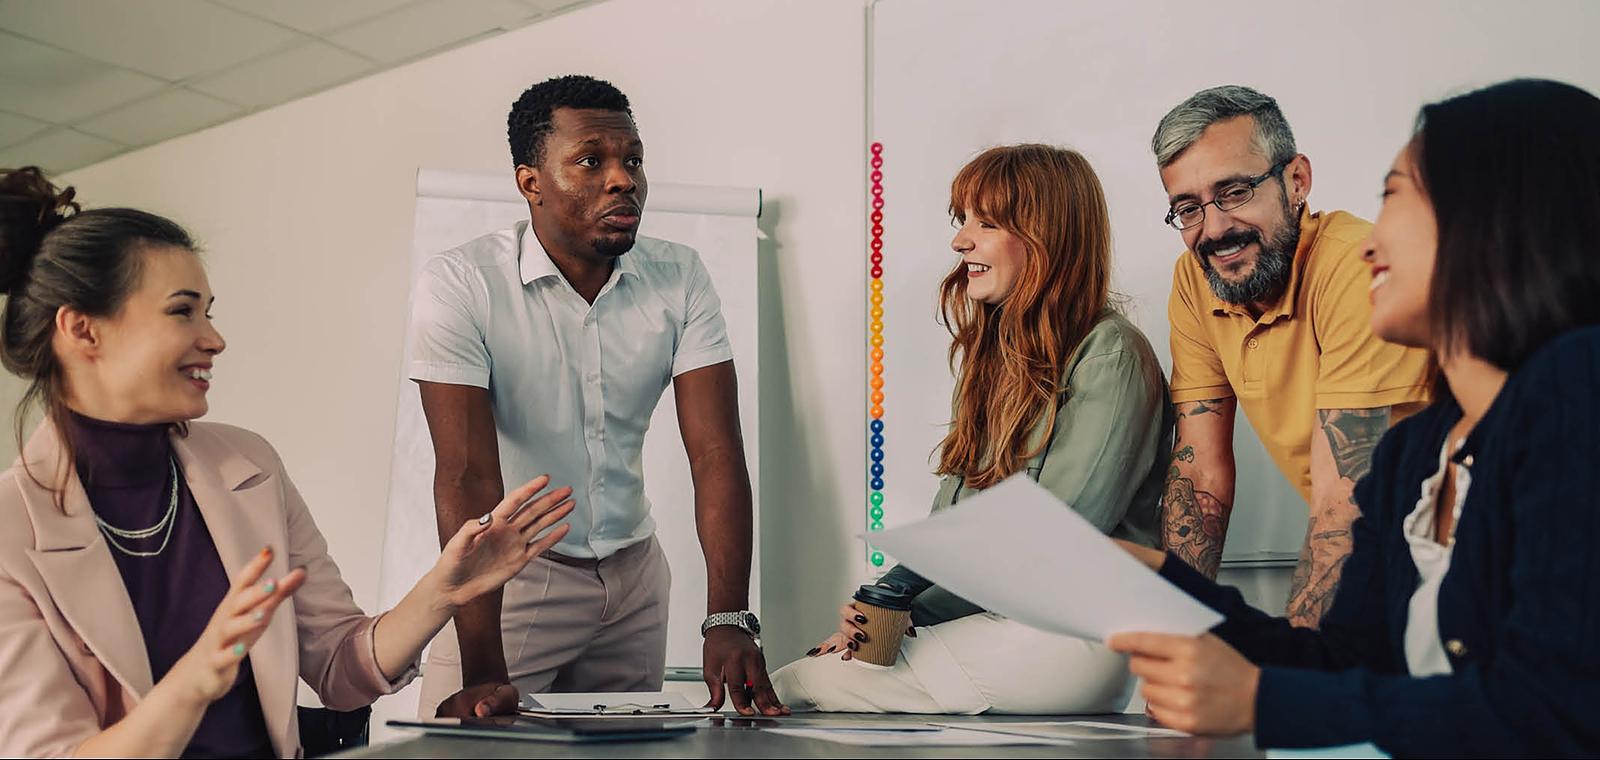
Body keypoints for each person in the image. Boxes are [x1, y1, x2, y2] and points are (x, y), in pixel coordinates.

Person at [0, 167, 575, 757]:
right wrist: (193, 682)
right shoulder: (10, 530)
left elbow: (339, 667)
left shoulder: (247, 463)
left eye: (209, 312)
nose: (214, 339)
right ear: (82, 330)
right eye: (182, 312)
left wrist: (444, 591)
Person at [1109, 78, 1600, 757]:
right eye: (1189, 207)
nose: (1371, 245)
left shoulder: (1580, 383)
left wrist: (1262, 703)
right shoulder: (1414, 454)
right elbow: (1346, 663)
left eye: (1394, 197)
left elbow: (1555, 709)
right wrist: (1160, 580)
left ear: (1500, 216)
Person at [408, 74, 782, 718]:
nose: (622, 180)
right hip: (511, 575)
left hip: (634, 579)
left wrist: (727, 617)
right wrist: (483, 664)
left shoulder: (679, 276)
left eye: (632, 160)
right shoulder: (462, 283)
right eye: (590, 161)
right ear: (531, 183)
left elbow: (716, 453)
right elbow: (466, 474)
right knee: (461, 747)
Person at [771, 144, 1170, 714]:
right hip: (999, 623)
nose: (960, 241)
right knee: (808, 677)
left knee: (795, 687)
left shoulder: (1112, 354)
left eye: (986, 223)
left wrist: (903, 589)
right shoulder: (993, 362)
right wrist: (892, 618)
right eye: (962, 220)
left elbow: (1058, 529)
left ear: (1046, 235)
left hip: (1072, 636)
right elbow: (954, 524)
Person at [1153, 85, 1431, 627]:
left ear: (1297, 180)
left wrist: (1301, 660)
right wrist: (1173, 631)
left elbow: (1344, 500)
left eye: (1235, 192)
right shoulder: (1194, 280)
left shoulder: (1355, 268)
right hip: (1379, 557)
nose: (1214, 229)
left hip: (1449, 558)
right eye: (1188, 208)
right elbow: (1200, 472)